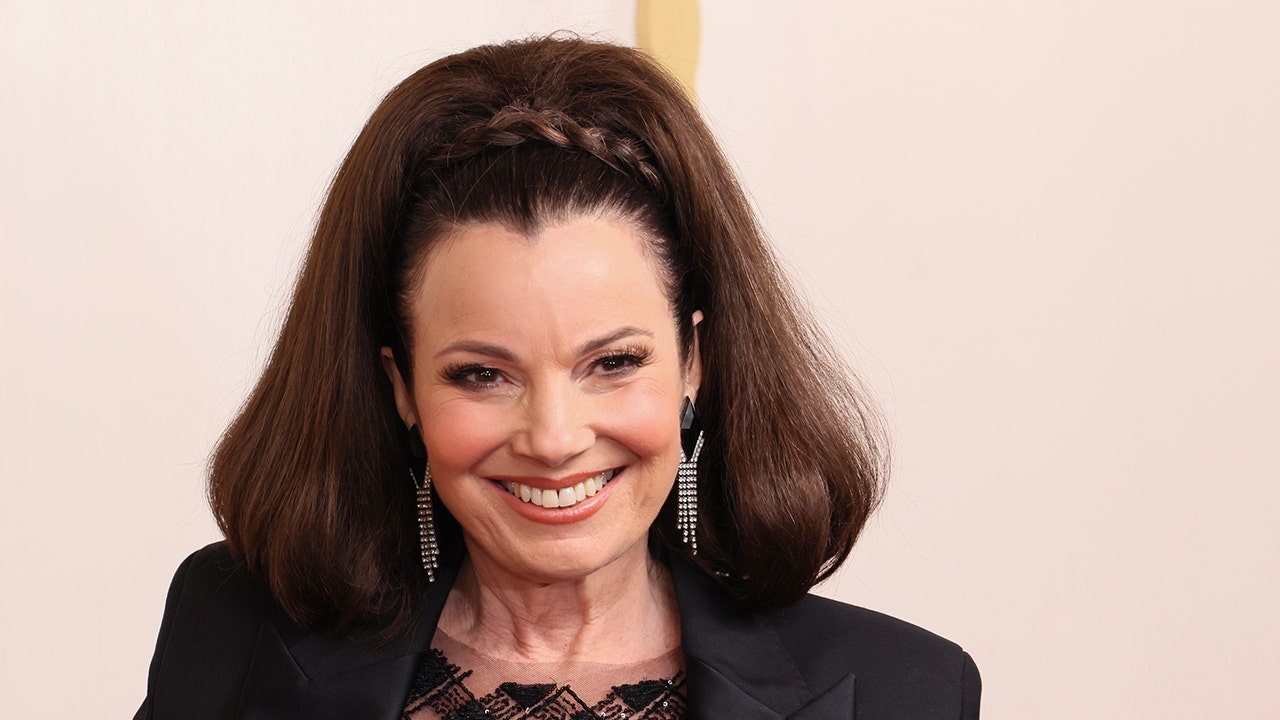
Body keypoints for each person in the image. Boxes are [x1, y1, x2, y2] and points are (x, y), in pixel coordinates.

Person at [135, 36, 980, 720]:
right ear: (401, 387)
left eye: (613, 363)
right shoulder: (230, 631)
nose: (553, 438)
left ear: (695, 361)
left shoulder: (905, 692)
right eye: (481, 375)